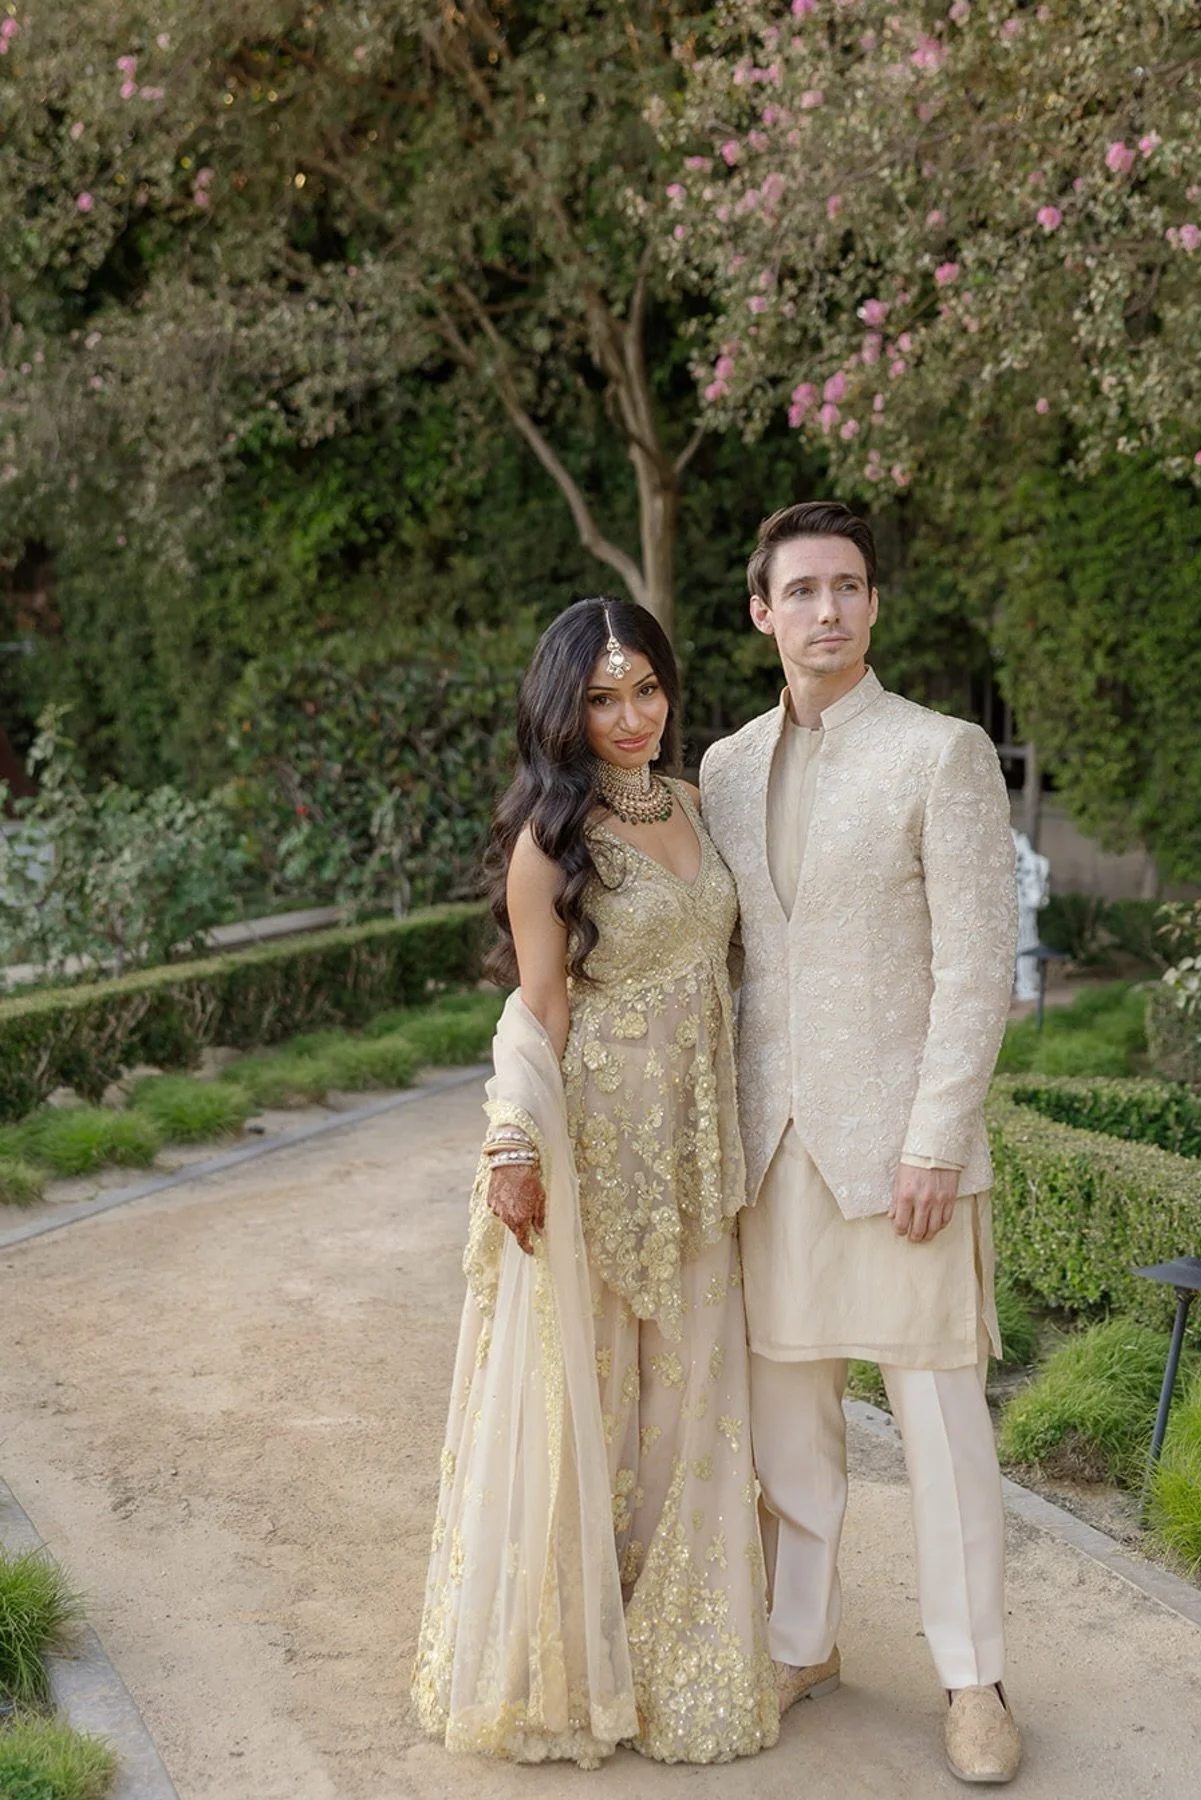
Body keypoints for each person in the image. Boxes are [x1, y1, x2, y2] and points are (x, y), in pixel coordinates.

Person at [412, 597, 778, 1768]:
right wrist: (515, 1142)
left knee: (695, 1395)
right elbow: (540, 1008)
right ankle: (580, 1654)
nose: (632, 718)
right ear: (564, 710)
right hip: (605, 1144)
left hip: (698, 1138)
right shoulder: (549, 843)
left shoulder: (702, 808)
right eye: (605, 698)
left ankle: (678, 1652)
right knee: (597, 1399)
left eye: (648, 691)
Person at [699, 503, 1022, 1785]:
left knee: (942, 1422)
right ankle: (803, 1640)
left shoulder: (941, 754)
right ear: (761, 610)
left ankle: (974, 1675)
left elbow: (976, 963)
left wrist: (938, 1135)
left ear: (874, 607)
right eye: (803, 591)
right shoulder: (718, 768)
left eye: (849, 588)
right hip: (767, 1145)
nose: (827, 611)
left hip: (903, 1157)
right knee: (787, 1420)